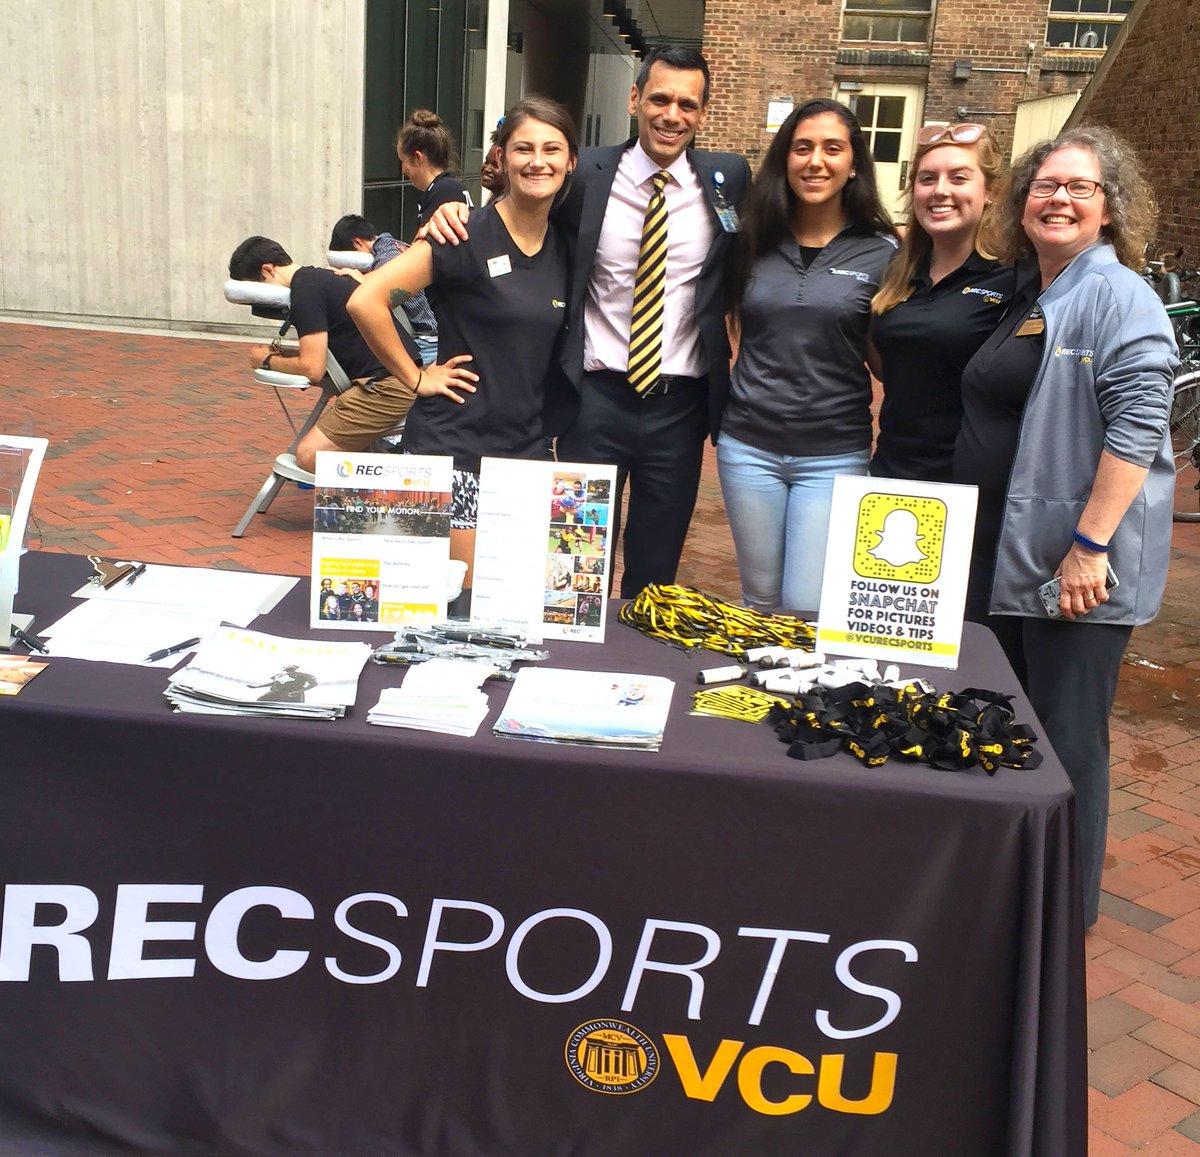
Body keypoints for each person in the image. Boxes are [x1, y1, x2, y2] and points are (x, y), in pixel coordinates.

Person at [425, 45, 751, 598]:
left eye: (688, 105)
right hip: (593, 400)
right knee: (574, 567)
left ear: (702, 112)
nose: (673, 115)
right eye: (660, 99)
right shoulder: (587, 172)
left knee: (656, 570)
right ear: (634, 98)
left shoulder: (728, 177)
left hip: (681, 404)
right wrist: (453, 208)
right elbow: (523, 199)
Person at [953, 125, 1177, 927]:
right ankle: (1020, 888)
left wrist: (1090, 547)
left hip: (1074, 569)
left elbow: (1142, 425)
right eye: (1047, 185)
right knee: (1020, 722)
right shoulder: (1041, 289)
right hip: (1019, 557)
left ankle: (1064, 912)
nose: (1060, 199)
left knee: (1069, 737)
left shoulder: (1119, 296)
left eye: (1081, 187)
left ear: (1111, 209)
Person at [349, 97, 577, 585]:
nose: (538, 161)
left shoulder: (567, 247)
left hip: (526, 458)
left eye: (551, 149)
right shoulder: (463, 234)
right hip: (454, 454)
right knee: (456, 612)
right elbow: (366, 301)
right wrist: (415, 377)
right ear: (501, 157)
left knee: (518, 607)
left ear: (570, 161)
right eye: (523, 148)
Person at [717, 99, 896, 613]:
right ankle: (758, 696)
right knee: (760, 598)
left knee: (806, 603)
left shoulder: (883, 252)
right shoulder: (749, 239)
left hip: (833, 455)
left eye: (832, 148)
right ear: (785, 159)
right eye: (803, 148)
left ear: (854, 163)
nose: (816, 161)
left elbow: (887, 356)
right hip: (748, 447)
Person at [869, 123, 1015, 482]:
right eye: (928, 179)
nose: (940, 191)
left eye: (959, 178)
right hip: (892, 470)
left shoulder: (1015, 279)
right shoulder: (896, 272)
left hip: (968, 486)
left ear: (990, 191)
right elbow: (889, 366)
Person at [227, 236, 422, 472]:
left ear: (268, 270)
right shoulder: (320, 279)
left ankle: (414, 474)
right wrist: (286, 355)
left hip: (386, 388)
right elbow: (328, 347)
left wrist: (266, 360)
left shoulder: (305, 292)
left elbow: (313, 368)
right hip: (395, 380)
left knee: (310, 456)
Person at [328, 214, 439, 366]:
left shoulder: (387, 254)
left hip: (429, 340)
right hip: (433, 336)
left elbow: (382, 286)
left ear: (357, 242)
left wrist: (358, 277)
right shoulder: (395, 245)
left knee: (402, 382)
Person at [396, 110, 471, 230]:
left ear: (417, 158)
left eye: (402, 161)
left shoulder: (444, 191)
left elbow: (428, 245)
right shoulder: (445, 187)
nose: (403, 170)